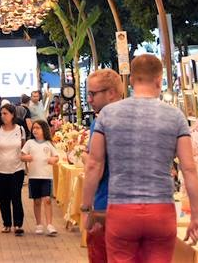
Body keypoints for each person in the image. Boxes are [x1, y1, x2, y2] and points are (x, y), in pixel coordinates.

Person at [81, 54, 198, 263]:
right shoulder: (176, 117)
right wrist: (196, 216)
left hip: (121, 212)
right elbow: (189, 169)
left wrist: (85, 208)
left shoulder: (107, 115)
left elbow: (94, 165)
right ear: (160, 79)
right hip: (161, 211)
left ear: (130, 80)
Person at [82, 69, 124, 263]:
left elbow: (94, 167)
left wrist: (85, 209)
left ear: (112, 92)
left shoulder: (102, 122)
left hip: (105, 208)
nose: (89, 99)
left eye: (92, 93)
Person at [0, 103, 27, 235]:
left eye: (6, 113)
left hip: (17, 168)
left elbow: (23, 148)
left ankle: (18, 224)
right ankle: (7, 223)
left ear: (13, 114)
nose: (3, 116)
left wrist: (27, 164)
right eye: (2, 114)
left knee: (16, 196)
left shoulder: (20, 129)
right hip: (0, 169)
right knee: (3, 198)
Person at [21, 119, 59, 235]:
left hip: (46, 176)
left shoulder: (49, 144)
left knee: (47, 200)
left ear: (44, 129)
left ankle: (49, 224)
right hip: (34, 176)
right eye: (34, 128)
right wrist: (26, 157)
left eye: (38, 128)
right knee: (37, 201)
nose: (35, 130)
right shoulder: (29, 143)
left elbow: (56, 157)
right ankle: (38, 224)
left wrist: (53, 159)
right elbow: (22, 156)